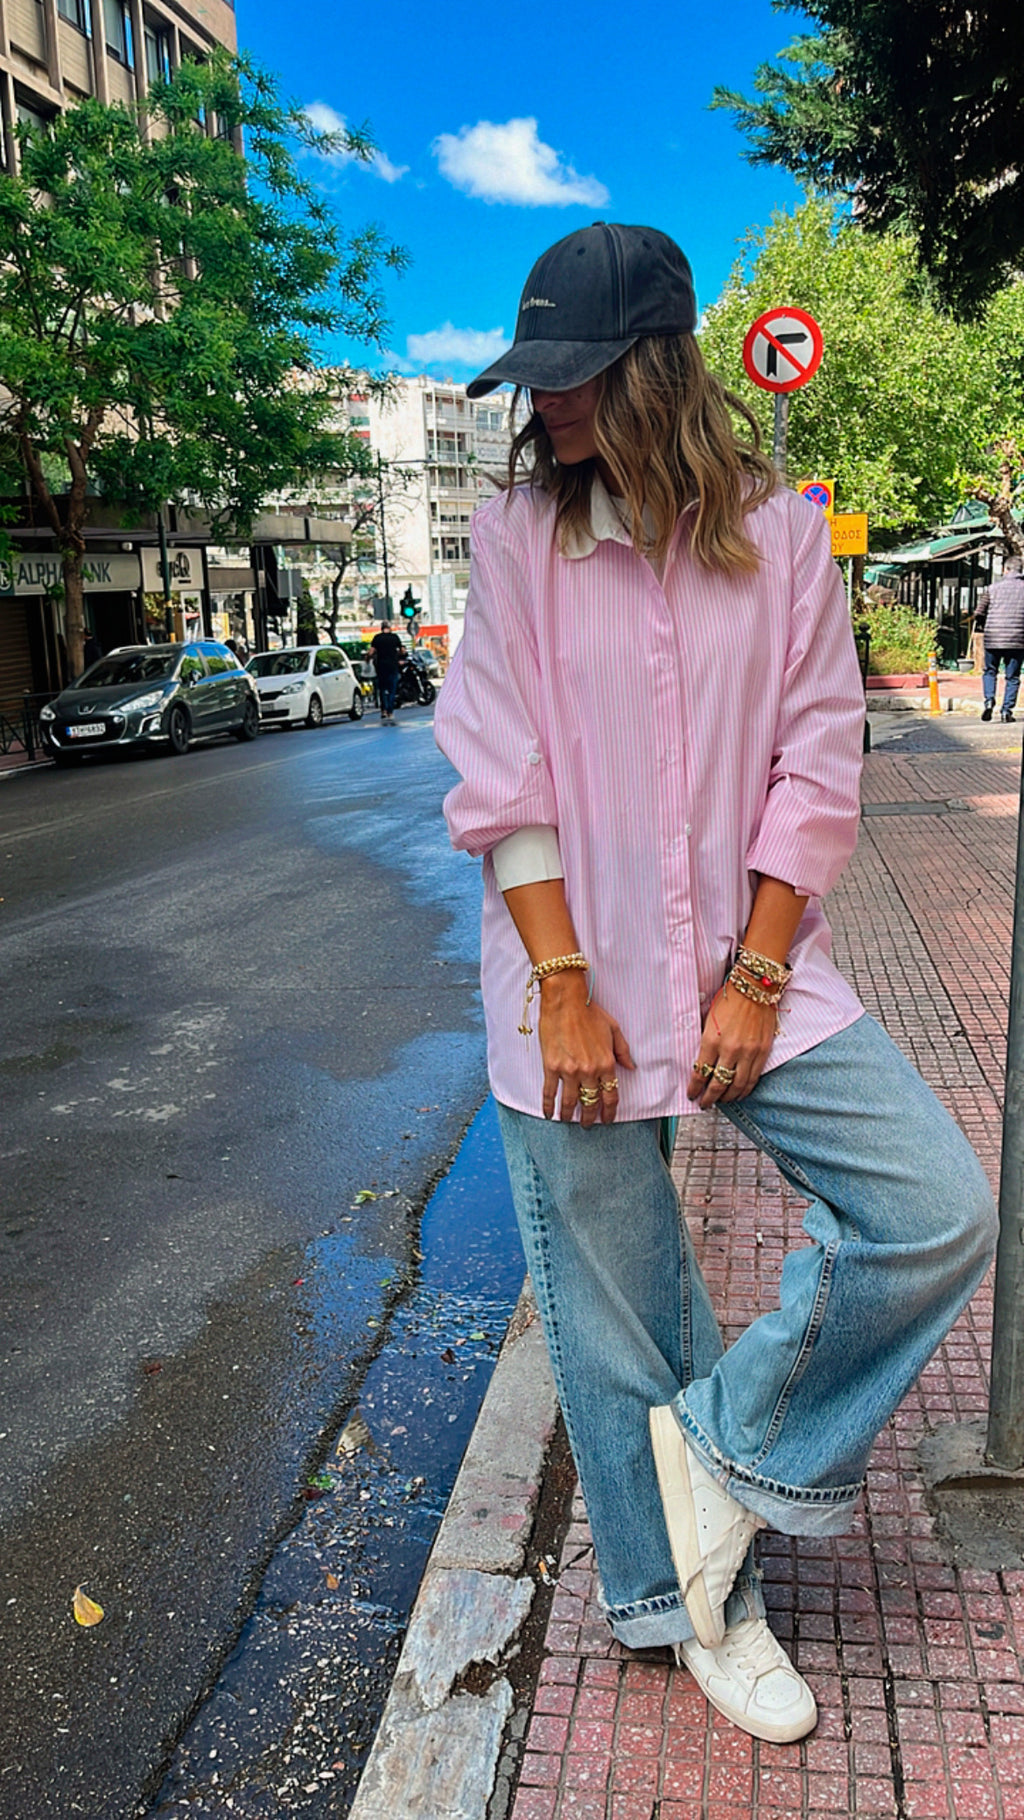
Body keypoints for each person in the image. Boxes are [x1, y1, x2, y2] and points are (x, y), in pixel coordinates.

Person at [434, 223, 996, 1745]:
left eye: (570, 376)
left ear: (656, 369)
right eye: (528, 378)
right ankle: (689, 1604)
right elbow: (504, 775)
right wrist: (561, 978)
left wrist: (756, 970)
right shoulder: (517, 544)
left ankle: (721, 1459)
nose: (537, 404)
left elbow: (818, 757)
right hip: (574, 975)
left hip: (760, 968)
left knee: (937, 1206)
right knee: (621, 1319)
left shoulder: (783, 538)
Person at [975, 552, 1024, 721]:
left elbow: (979, 612)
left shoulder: (992, 588)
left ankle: (989, 701)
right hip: (1018, 640)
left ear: (1005, 570)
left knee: (990, 671)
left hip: (993, 638)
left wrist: (982, 625)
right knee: (1013, 677)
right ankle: (1006, 711)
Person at [370, 623, 404, 722]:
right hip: (393, 666)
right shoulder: (394, 637)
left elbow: (371, 651)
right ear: (390, 628)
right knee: (392, 689)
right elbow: (402, 650)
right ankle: (390, 711)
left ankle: (383, 710)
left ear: (381, 628)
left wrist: (368, 658)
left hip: (381, 666)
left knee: (382, 689)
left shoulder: (377, 638)